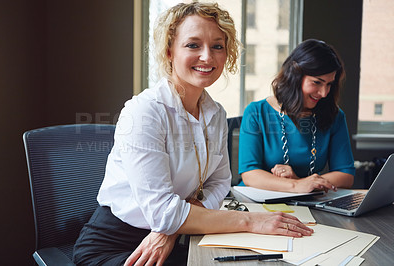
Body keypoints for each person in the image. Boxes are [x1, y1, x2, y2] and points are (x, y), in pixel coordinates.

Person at [73, 3, 314, 266]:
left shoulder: (216, 113)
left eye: (218, 46)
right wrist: (251, 220)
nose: (207, 57)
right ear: (169, 51)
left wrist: (173, 227)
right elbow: (163, 213)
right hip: (115, 246)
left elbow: (219, 184)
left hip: (181, 235)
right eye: (193, 45)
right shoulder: (144, 111)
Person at [238, 39, 355, 193]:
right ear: (295, 75)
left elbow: (346, 175)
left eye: (329, 84)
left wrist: (301, 182)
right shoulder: (255, 112)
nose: (324, 93)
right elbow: (250, 175)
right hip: (257, 201)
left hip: (308, 200)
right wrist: (297, 186)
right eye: (317, 82)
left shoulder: (335, 115)